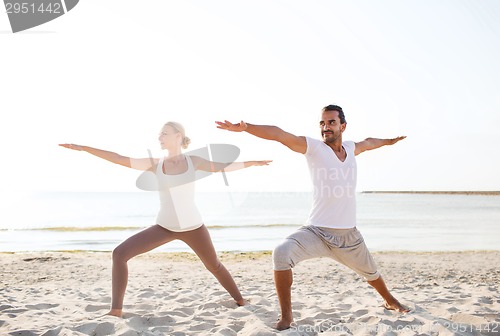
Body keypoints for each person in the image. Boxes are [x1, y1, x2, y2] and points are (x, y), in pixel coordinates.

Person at [216, 105, 409, 330]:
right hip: (316, 232)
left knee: (371, 273)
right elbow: (279, 134)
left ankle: (390, 300)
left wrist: (389, 142)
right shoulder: (314, 148)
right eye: (322, 123)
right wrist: (246, 128)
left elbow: (369, 142)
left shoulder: (350, 148)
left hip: (348, 235)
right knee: (281, 253)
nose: (325, 127)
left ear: (342, 126)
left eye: (331, 122)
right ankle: (287, 316)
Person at [59, 121, 271, 317]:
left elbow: (222, 166)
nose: (159, 137)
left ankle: (241, 300)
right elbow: (119, 158)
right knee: (119, 254)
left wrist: (251, 163)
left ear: (178, 136)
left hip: (194, 227)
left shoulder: (194, 161)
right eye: (159, 134)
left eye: (164, 133)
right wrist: (85, 148)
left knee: (214, 265)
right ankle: (116, 310)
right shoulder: (155, 164)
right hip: (165, 227)